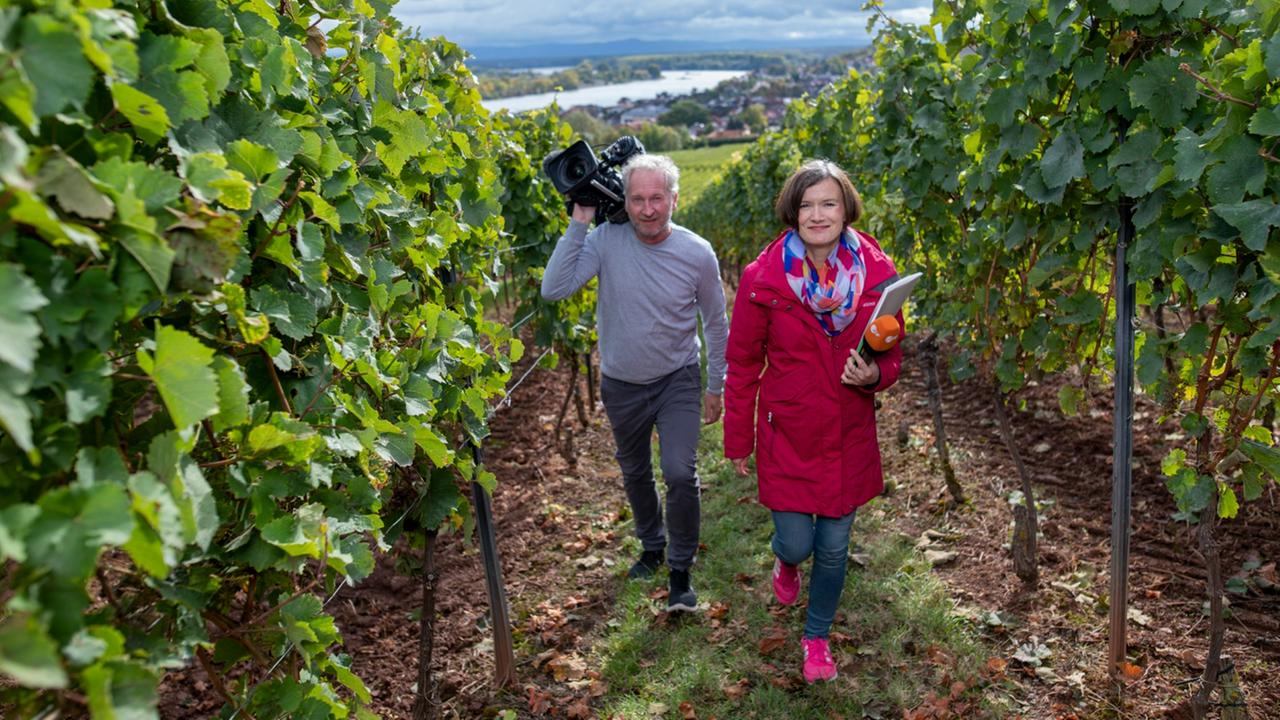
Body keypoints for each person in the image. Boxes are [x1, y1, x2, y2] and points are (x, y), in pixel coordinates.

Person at [722, 159, 904, 682]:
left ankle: (816, 638)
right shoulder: (764, 280)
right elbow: (742, 363)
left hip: (848, 431)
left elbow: (892, 353)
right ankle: (784, 559)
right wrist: (738, 440)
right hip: (789, 434)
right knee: (799, 543)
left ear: (846, 208)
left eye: (828, 203)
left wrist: (874, 376)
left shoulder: (879, 276)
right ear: (792, 211)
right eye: (807, 205)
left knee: (833, 549)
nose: (817, 214)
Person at [541, 153, 729, 613]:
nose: (648, 209)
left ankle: (680, 572)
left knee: (681, 473)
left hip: (677, 379)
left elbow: (716, 322)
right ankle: (652, 545)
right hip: (621, 383)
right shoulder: (605, 240)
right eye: (638, 199)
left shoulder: (696, 252)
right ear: (624, 200)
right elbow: (554, 288)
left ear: (674, 199)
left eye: (657, 199)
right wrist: (580, 221)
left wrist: (715, 385)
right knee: (636, 471)